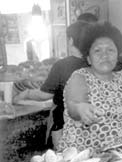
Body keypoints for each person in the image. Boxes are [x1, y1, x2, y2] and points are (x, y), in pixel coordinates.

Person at [13, 20, 93, 148]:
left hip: (65, 126)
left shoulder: (62, 65)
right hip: (91, 123)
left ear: (71, 40)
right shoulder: (94, 64)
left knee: (65, 160)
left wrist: (25, 94)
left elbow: (44, 95)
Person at [57, 22, 122, 154]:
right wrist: (80, 108)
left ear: (117, 55)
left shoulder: (120, 81)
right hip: (84, 158)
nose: (105, 55)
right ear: (88, 58)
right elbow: (73, 106)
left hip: (116, 155)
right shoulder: (80, 77)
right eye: (97, 50)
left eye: (110, 50)